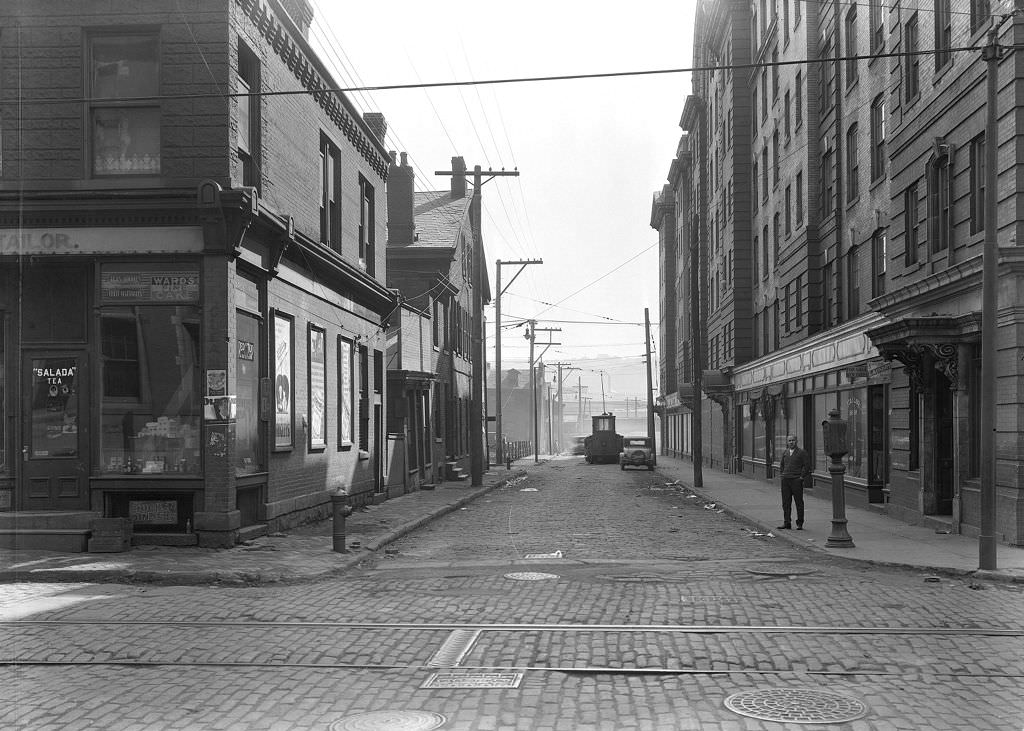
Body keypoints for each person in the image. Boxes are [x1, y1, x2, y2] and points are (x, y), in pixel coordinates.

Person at [778, 435, 811, 530]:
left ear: (796, 441)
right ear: (787, 442)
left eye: (793, 440)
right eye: (789, 440)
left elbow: (807, 465)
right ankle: (787, 522)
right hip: (786, 480)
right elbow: (782, 465)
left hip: (796, 480)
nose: (791, 442)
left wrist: (801, 477)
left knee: (799, 502)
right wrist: (782, 475)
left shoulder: (802, 452)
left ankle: (800, 523)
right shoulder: (785, 452)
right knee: (786, 503)